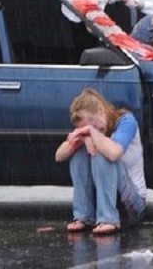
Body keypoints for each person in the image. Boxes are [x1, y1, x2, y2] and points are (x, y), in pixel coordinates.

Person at [55, 88, 146, 236]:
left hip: (132, 205)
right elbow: (59, 156)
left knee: (101, 151)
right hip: (104, 198)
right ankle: (84, 216)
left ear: (101, 111)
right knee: (78, 152)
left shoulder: (126, 121)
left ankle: (109, 219)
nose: (93, 129)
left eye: (92, 124)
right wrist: (82, 139)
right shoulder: (91, 132)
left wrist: (92, 133)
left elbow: (114, 152)